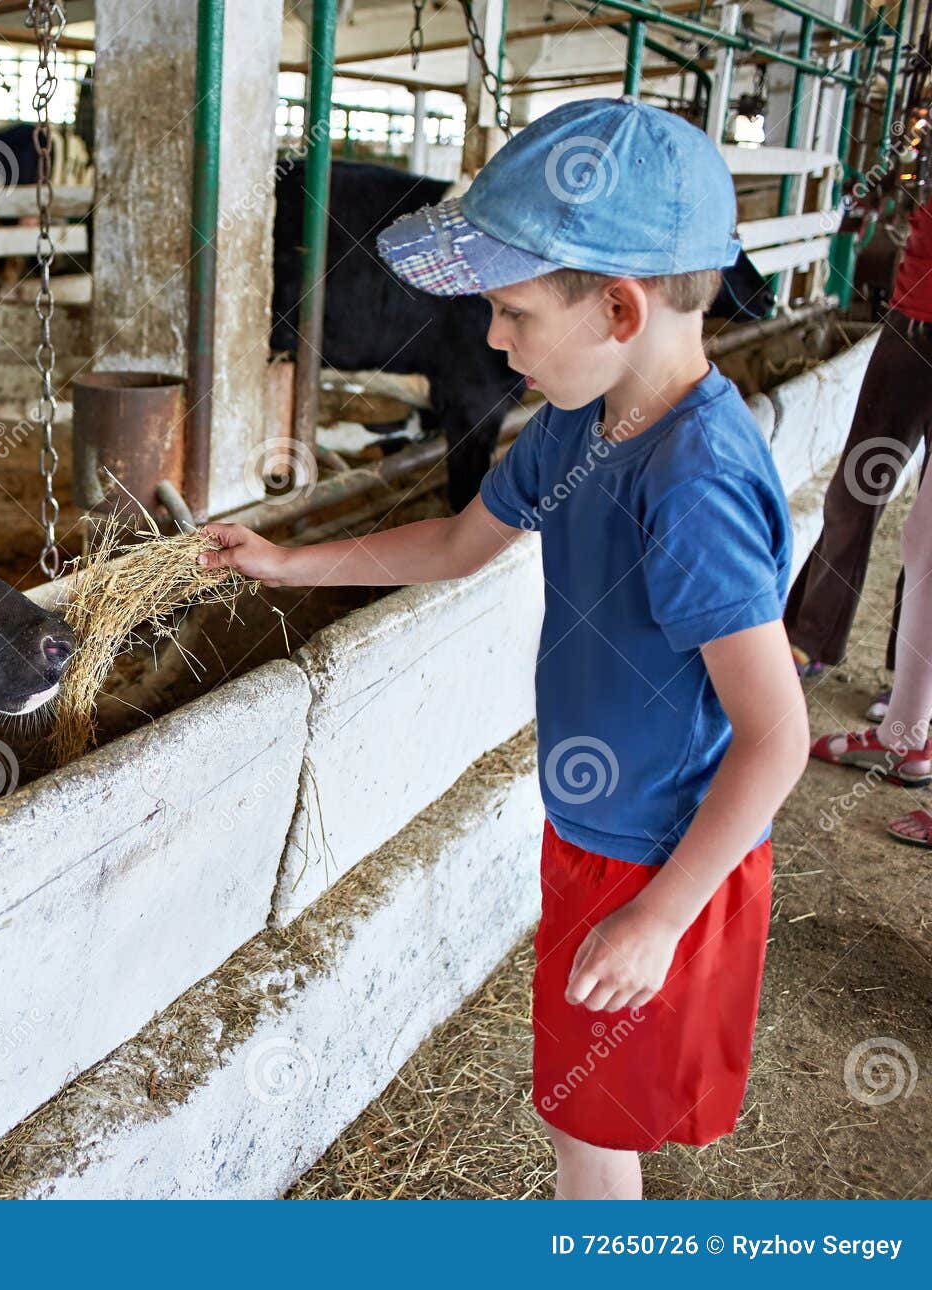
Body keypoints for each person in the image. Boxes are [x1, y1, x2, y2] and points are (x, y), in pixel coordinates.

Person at [200, 99, 811, 1200]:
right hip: (599, 837)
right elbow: (454, 541)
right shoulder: (582, 423)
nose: (491, 339)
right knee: (588, 1113)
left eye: (512, 312)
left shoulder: (696, 482)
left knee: (588, 1129)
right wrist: (286, 565)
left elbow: (776, 740)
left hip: (657, 857)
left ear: (620, 306)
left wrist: (660, 916)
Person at [784, 195, 932, 724]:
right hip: (912, 325)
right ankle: (812, 636)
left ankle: (912, 684)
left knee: (928, 528)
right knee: (854, 491)